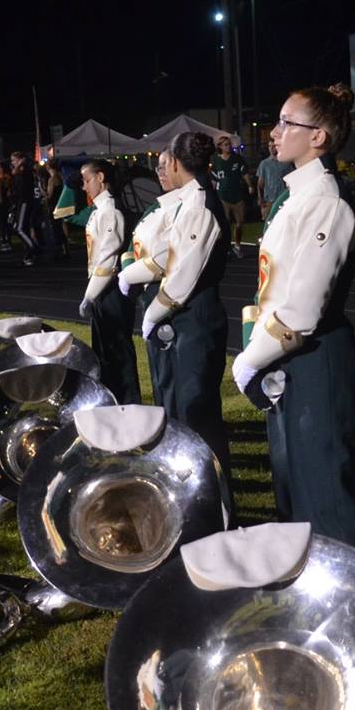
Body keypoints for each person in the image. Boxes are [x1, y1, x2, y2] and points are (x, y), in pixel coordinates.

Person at [229, 85, 355, 551]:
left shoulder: (325, 201)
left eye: (287, 122)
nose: (275, 132)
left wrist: (249, 361)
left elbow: (303, 310)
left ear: (319, 137)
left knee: (328, 515)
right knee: (295, 506)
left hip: (317, 362)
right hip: (291, 361)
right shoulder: (297, 196)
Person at [129, 133, 232, 491]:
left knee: (197, 416)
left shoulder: (198, 204)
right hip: (185, 315)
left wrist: (152, 314)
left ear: (174, 162)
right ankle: (186, 492)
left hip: (195, 316)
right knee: (178, 410)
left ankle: (213, 498)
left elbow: (183, 273)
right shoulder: (188, 200)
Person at [75, 159, 139, 404]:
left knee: (118, 352)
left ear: (100, 178)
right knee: (105, 352)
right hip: (102, 289)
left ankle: (127, 405)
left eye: (87, 180)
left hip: (111, 290)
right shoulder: (100, 210)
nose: (84, 186)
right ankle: (113, 404)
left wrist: (90, 295)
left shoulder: (110, 211)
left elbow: (108, 259)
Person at [212, 134, 251, 257]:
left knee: (240, 223)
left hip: (237, 194)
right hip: (223, 195)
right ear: (220, 147)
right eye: (225, 145)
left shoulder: (237, 158)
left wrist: (250, 185)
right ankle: (226, 246)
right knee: (225, 223)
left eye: (229, 144)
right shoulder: (215, 160)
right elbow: (214, 178)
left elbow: (244, 172)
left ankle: (237, 246)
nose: (228, 147)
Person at [255, 131, 293, 225]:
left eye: (273, 146)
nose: (271, 148)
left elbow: (291, 181)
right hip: (269, 199)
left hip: (282, 198)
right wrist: (260, 197)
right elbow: (260, 183)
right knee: (268, 224)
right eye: (269, 146)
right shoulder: (264, 164)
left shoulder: (286, 163)